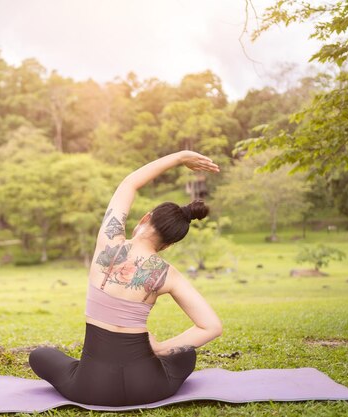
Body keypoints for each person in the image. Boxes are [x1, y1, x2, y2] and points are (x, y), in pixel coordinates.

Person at [29, 150, 223, 406]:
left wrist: (180, 157)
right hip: (150, 388)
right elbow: (211, 327)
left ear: (145, 219)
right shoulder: (168, 274)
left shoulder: (108, 242)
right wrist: (162, 348)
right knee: (185, 356)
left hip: (90, 388)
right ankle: (151, 360)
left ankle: (88, 366)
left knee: (40, 355)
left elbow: (130, 183)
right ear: (167, 245)